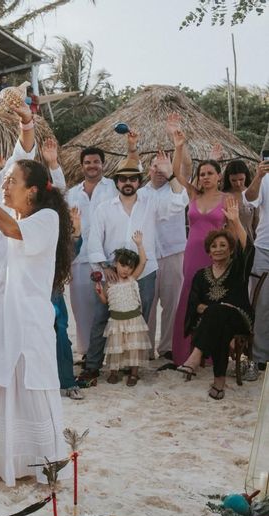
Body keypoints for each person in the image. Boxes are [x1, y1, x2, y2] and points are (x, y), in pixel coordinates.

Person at [0, 159, 73, 486]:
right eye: (3, 181)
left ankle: (41, 464)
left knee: (32, 387)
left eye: (11, 181)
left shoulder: (45, 220)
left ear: (32, 190)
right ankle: (0, 462)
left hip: (28, 322)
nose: (3, 186)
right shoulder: (4, 221)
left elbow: (13, 231)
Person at [78, 147, 186, 385]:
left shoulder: (152, 203)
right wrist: (106, 267)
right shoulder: (104, 208)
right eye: (123, 178)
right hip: (112, 275)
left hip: (144, 273)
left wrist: (170, 175)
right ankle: (93, 366)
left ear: (139, 181)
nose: (128, 182)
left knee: (138, 321)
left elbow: (179, 203)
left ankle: (130, 365)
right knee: (101, 318)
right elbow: (94, 240)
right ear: (117, 182)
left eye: (133, 178)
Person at [168, 115, 230, 366]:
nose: (205, 177)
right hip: (192, 256)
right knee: (189, 299)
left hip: (216, 257)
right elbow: (175, 172)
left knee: (214, 300)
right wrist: (179, 145)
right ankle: (185, 353)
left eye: (209, 173)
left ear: (218, 176)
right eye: (202, 173)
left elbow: (234, 231)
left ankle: (212, 353)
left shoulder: (227, 199)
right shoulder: (193, 194)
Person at [176, 201, 249, 399]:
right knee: (219, 323)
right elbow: (194, 303)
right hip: (214, 322)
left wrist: (235, 221)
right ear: (208, 251)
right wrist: (207, 309)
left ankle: (195, 357)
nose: (218, 249)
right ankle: (219, 383)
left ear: (231, 250)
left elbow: (246, 246)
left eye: (223, 245)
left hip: (238, 317)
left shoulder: (236, 270)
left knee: (218, 313)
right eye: (214, 246)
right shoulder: (201, 275)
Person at [64, 147, 119, 361]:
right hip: (78, 259)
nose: (92, 165)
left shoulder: (112, 188)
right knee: (81, 309)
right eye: (88, 162)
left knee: (106, 306)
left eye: (96, 161)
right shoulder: (72, 193)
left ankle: (109, 354)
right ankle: (87, 353)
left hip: (106, 259)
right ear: (82, 166)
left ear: (102, 164)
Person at [144, 151, 188, 361]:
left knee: (172, 303)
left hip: (173, 253)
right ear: (149, 170)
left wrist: (171, 174)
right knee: (148, 304)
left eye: (164, 167)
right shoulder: (140, 193)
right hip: (148, 257)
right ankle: (146, 347)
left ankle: (167, 347)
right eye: (156, 167)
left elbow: (181, 202)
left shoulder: (177, 189)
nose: (160, 171)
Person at [94, 234, 150, 387]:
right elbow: (106, 301)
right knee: (116, 348)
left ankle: (134, 374)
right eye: (123, 265)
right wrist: (99, 292)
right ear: (115, 264)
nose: (126, 270)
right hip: (116, 321)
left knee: (134, 347)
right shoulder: (110, 283)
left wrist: (139, 244)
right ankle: (114, 372)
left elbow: (143, 261)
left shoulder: (132, 279)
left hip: (133, 320)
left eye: (130, 267)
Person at [54, 206, 84, 400]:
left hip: (52, 289)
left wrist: (77, 230)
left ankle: (67, 381)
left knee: (61, 333)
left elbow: (70, 252)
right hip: (26, 290)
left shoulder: (55, 228)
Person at [245, 157, 269, 368]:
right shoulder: (265, 179)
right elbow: (249, 198)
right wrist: (259, 176)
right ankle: (260, 357)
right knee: (261, 304)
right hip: (264, 249)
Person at [222, 160, 257, 241]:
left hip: (247, 241)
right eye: (233, 180)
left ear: (246, 176)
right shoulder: (222, 195)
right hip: (227, 241)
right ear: (228, 178)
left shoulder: (252, 194)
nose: (238, 183)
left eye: (241, 179)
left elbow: (256, 222)